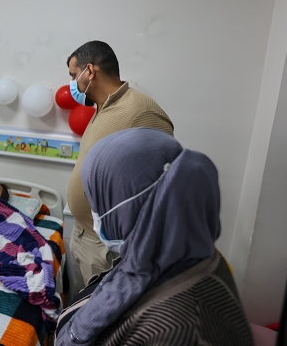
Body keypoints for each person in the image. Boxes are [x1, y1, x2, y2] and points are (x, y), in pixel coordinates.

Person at [56, 128, 252, 346]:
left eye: (97, 199)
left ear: (128, 206)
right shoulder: (164, 251)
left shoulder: (182, 332)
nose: (94, 211)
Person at [66, 41, 174, 292]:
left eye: (73, 75)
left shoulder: (141, 112)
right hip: (82, 235)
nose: (72, 83)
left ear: (89, 71)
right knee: (78, 306)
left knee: (98, 311)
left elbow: (162, 182)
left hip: (106, 247)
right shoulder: (102, 107)